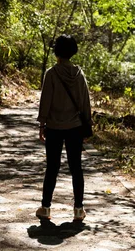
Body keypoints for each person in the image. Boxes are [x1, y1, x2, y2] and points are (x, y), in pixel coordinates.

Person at [36, 34, 92, 222]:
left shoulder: (51, 74)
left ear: (56, 51)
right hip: (75, 127)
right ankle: (78, 209)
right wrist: (87, 126)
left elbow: (46, 101)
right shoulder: (79, 74)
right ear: (73, 52)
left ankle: (45, 208)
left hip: (53, 126)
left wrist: (42, 123)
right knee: (76, 167)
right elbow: (85, 102)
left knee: (52, 167)